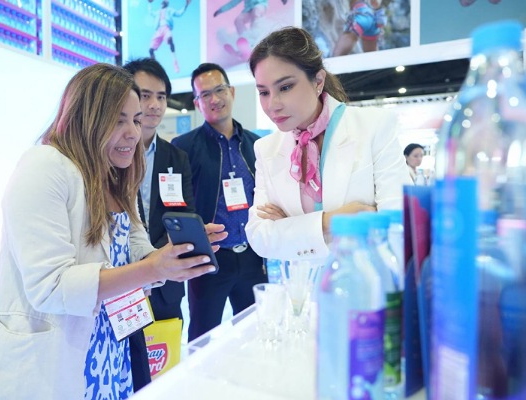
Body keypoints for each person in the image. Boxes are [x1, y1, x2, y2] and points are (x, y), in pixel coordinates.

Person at [0, 63, 226, 400]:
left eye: (135, 120)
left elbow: (136, 248)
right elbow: (50, 286)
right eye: (118, 120)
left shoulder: (115, 176)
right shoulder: (44, 166)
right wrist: (153, 268)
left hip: (110, 349)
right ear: (86, 117)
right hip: (52, 359)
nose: (133, 133)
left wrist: (171, 259)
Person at [246, 26, 411, 261]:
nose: (273, 105)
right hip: (299, 281)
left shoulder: (374, 127)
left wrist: (289, 227)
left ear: (318, 81)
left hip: (364, 277)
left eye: (285, 87)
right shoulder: (266, 149)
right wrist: (330, 222)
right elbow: (260, 237)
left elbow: (398, 226)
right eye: (263, 92)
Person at [172, 62, 267, 342]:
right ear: (196, 103)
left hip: (253, 257)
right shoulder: (183, 147)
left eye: (219, 90)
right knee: (202, 336)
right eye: (205, 94)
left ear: (232, 92)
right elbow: (179, 204)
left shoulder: (256, 144)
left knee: (255, 332)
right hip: (209, 259)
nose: (214, 99)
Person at [123, 57, 194, 324]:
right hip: (120, 279)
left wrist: (156, 259)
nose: (154, 104)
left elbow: (184, 215)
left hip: (166, 282)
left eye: (161, 97)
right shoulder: (110, 153)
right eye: (145, 95)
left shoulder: (177, 157)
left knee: (167, 348)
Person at [148, 0, 191, 73]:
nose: (162, 3)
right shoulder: (158, 12)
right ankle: (154, 66)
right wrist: (149, 3)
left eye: (164, 2)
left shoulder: (170, 10)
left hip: (166, 28)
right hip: (159, 30)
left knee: (170, 40)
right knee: (150, 50)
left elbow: (179, 13)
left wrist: (186, 5)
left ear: (167, 4)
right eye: (162, 2)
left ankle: (175, 62)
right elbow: (151, 12)